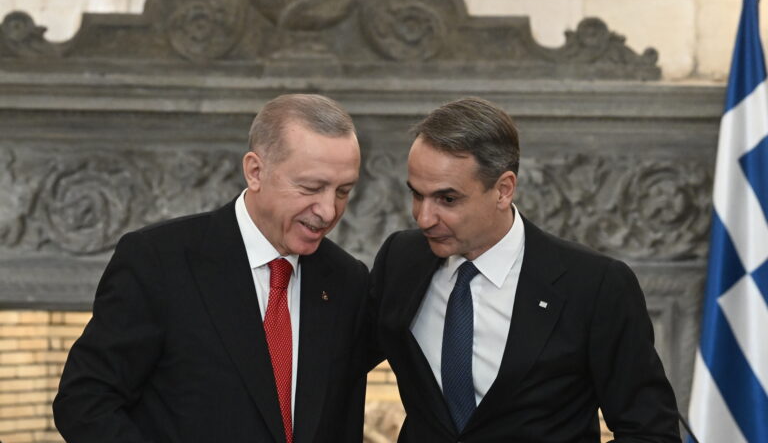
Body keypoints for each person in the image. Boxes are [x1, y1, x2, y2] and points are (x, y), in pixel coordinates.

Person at [54, 94, 369, 443]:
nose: (328, 211)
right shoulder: (159, 260)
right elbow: (85, 402)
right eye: (311, 188)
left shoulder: (348, 280)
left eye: (343, 191)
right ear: (255, 172)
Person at [370, 97, 681, 442]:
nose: (424, 217)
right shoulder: (401, 259)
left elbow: (650, 431)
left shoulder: (595, 285)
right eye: (417, 195)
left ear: (503, 190)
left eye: (448, 199)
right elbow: (339, 360)